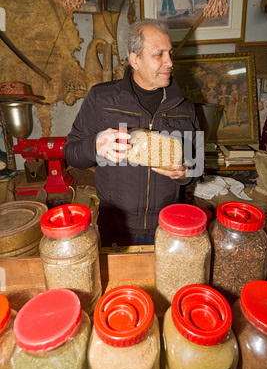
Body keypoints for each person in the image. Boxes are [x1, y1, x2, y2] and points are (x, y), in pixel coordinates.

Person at [63, 18, 204, 247]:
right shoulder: (102, 99)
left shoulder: (184, 107)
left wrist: (186, 172)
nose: (169, 62)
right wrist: (95, 145)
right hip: (116, 229)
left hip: (168, 227)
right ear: (135, 60)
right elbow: (71, 153)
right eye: (159, 54)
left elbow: (198, 164)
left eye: (170, 53)